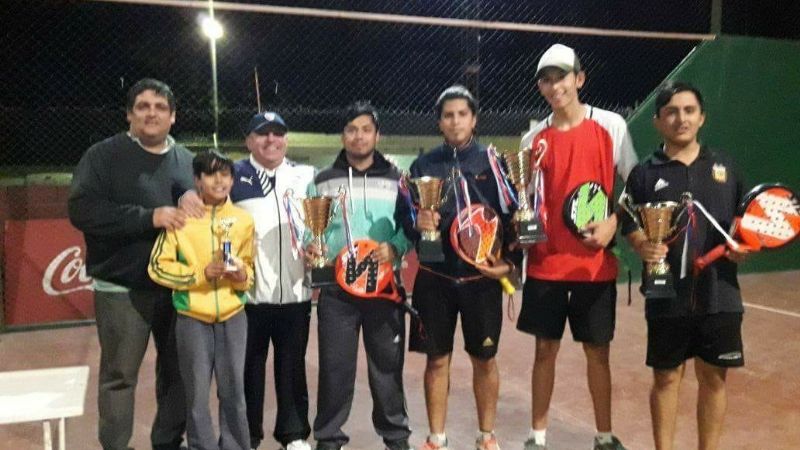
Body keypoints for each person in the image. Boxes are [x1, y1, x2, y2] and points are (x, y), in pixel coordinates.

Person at [516, 44, 638, 450]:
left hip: (594, 266)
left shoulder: (611, 126)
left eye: (562, 77)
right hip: (546, 265)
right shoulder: (533, 138)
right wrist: (523, 227)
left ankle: (604, 436)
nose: (555, 86)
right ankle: (538, 436)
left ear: (579, 79)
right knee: (544, 351)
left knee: (597, 354)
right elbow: (525, 199)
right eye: (547, 80)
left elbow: (634, 184)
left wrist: (613, 224)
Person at [621, 81, 747, 450]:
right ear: (658, 121)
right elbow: (628, 219)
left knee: (714, 379)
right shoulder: (644, 173)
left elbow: (742, 222)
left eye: (689, 110)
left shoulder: (726, 168)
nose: (681, 119)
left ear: (702, 117)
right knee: (666, 378)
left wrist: (742, 247)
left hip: (719, 294)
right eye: (672, 112)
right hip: (666, 295)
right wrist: (643, 245)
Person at [68, 78, 190, 450]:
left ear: (172, 117)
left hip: (175, 287)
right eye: (143, 106)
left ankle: (167, 442)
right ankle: (116, 446)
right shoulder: (103, 156)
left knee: (177, 373)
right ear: (129, 114)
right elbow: (82, 210)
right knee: (119, 376)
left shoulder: (186, 159)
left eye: (160, 107)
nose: (151, 112)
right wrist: (148, 217)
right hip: (121, 287)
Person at [406, 85, 518, 450]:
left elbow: (517, 215)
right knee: (437, 360)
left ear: (474, 119)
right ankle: (436, 438)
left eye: (462, 114)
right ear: (439, 122)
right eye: (448, 115)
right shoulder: (423, 166)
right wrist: (417, 223)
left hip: (480, 281)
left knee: (484, 359)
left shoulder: (495, 163)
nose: (455, 121)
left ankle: (486, 436)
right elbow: (404, 217)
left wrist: (509, 265)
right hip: (435, 279)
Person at [307, 101, 412, 450]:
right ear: (343, 135)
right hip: (337, 293)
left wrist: (395, 247)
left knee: (387, 367)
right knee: (335, 368)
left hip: (384, 289)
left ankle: (395, 436)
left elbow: (410, 228)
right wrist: (314, 247)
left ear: (377, 135)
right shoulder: (321, 180)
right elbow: (311, 231)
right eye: (352, 129)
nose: (359, 136)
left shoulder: (398, 179)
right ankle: (329, 437)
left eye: (366, 129)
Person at [148, 149, 254, 450]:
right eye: (210, 174)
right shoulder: (181, 221)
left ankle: (236, 445)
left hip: (234, 316)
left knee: (234, 391)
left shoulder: (243, 221)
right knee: (195, 393)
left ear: (233, 180)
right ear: (197, 180)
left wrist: (241, 277)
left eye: (225, 174)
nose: (218, 181)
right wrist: (200, 274)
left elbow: (250, 268)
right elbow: (158, 267)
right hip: (193, 317)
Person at [229, 112, 316, 450]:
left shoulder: (305, 176)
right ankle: (246, 435)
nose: (270, 140)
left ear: (286, 140)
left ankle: (293, 434)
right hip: (248, 295)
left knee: (292, 367)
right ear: (249, 140)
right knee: (248, 369)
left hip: (295, 293)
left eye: (277, 133)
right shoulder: (233, 175)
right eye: (262, 134)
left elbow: (325, 223)